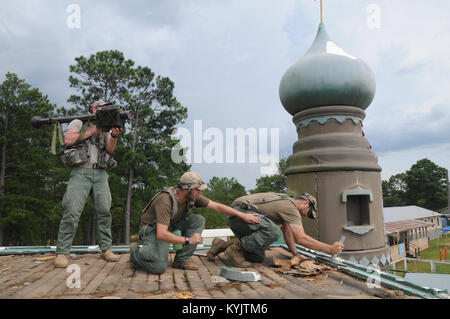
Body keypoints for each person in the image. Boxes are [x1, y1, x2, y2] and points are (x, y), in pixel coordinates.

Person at [129, 171, 260, 274]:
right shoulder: (165, 200)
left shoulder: (193, 196)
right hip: (152, 230)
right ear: (188, 189)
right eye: (198, 189)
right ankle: (136, 251)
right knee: (158, 267)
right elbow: (162, 234)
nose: (200, 192)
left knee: (198, 220)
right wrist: (187, 240)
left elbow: (217, 206)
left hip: (169, 225)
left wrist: (241, 215)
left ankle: (180, 261)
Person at [54, 100, 123, 268]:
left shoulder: (107, 125)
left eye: (105, 107)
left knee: (105, 211)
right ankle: (62, 252)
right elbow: (68, 139)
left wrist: (113, 135)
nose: (103, 110)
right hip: (81, 171)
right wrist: (92, 130)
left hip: (100, 172)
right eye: (100, 107)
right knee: (72, 211)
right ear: (92, 109)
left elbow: (110, 150)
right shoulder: (79, 122)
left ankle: (106, 249)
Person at [207, 192, 344, 267]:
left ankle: (222, 245)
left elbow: (287, 232)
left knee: (257, 256)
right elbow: (301, 238)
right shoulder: (291, 208)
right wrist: (329, 249)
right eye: (308, 213)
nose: (305, 216)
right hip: (240, 214)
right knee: (273, 231)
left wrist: (295, 254)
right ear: (306, 203)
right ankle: (235, 249)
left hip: (239, 217)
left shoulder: (286, 203)